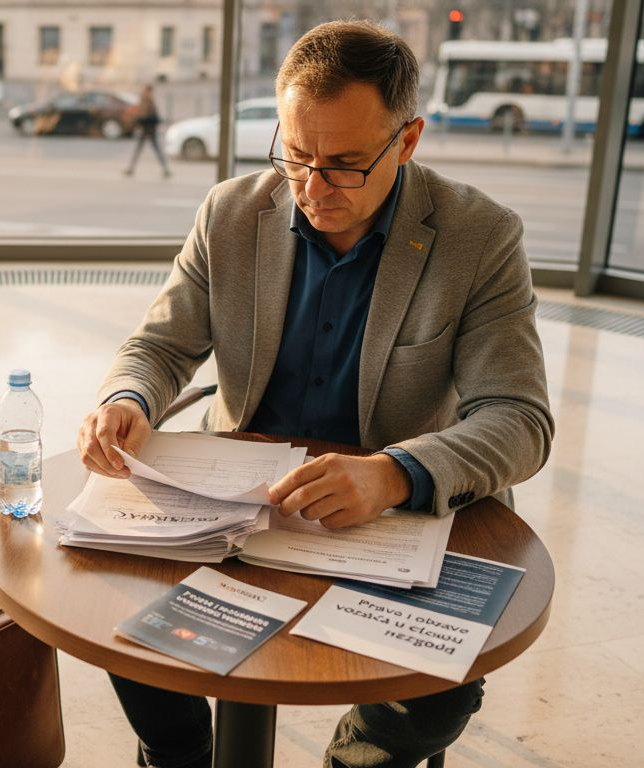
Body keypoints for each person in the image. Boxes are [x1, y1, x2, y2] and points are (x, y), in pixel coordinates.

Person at [76, 19, 553, 768]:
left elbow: (519, 418)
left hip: (388, 518)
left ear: (408, 139)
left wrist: (396, 473)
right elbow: (160, 346)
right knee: (111, 608)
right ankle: (177, 754)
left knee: (435, 696)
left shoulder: (479, 237)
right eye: (296, 157)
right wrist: (128, 399)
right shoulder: (232, 213)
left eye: (345, 164)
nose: (311, 188)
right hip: (231, 506)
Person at [124, 84, 172, 178]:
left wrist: (138, 120)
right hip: (147, 129)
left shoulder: (148, 101)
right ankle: (131, 168)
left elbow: (146, 115)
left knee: (151, 150)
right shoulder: (147, 100)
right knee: (143, 150)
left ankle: (165, 169)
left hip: (148, 129)